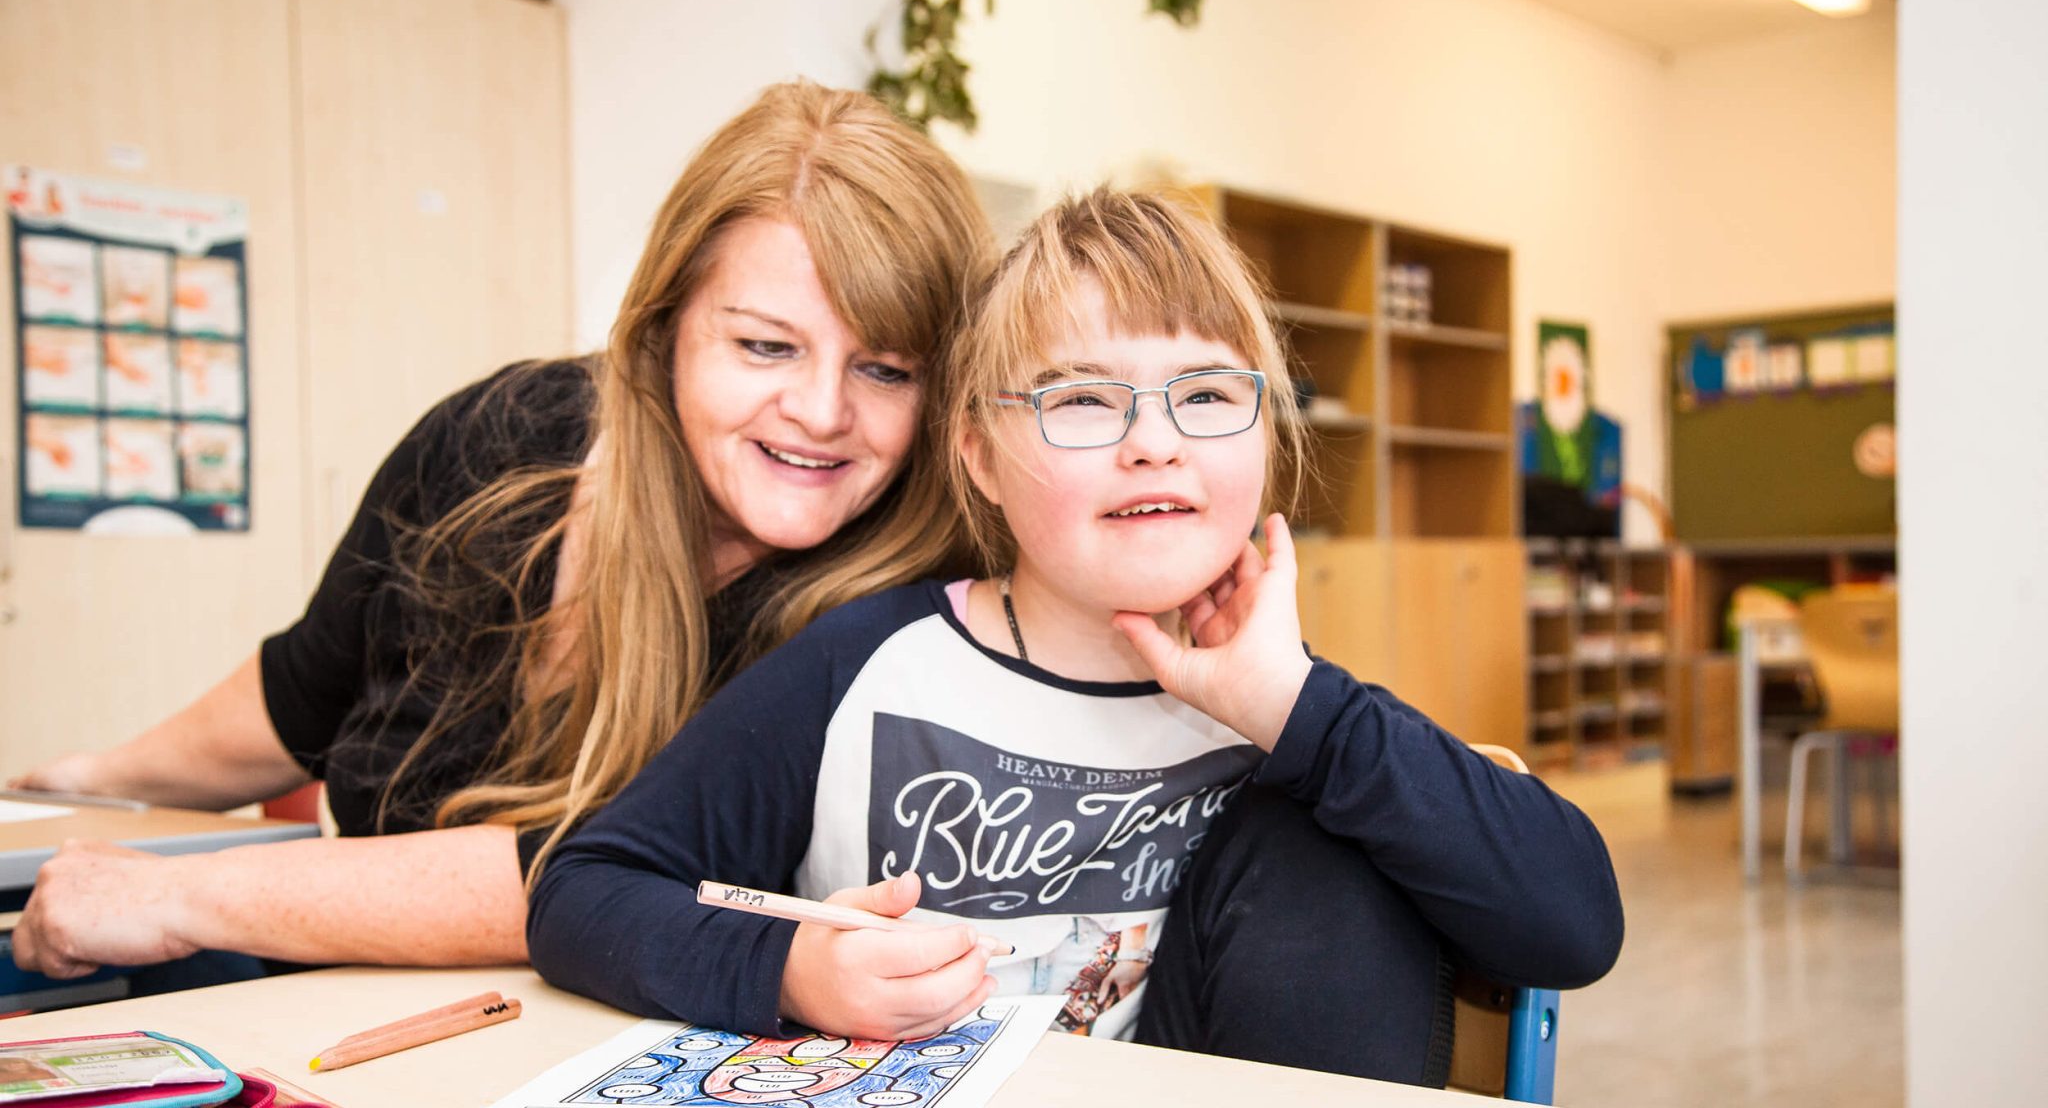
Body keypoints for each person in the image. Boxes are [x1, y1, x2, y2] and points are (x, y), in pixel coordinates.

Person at [524, 189, 1623, 1085]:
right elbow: (583, 890)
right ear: (976, 458)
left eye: (1203, 395)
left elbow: (1572, 930)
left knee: (1325, 839)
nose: (1153, 443)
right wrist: (795, 970)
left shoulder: (1289, 715)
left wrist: (1297, 709)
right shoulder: (868, 661)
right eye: (1083, 401)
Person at [6, 80, 992, 984]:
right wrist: (82, 781)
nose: (819, 411)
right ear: (663, 329)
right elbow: (306, 689)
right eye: (764, 345)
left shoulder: (903, 616)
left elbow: (591, 879)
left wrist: (180, 893)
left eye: (885, 369)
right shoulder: (510, 431)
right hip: (321, 1008)